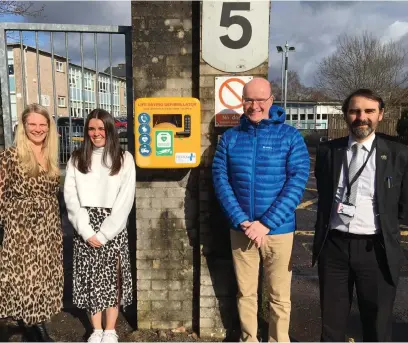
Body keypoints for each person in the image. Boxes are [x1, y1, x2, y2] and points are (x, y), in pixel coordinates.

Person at [212, 78, 310, 342]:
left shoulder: (290, 136)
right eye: (248, 100)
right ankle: (249, 339)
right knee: (245, 293)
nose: (254, 106)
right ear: (242, 101)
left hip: (278, 231)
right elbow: (221, 180)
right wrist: (242, 220)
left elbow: (297, 182)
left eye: (260, 100)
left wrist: (265, 223)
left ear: (271, 101)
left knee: (279, 296)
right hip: (241, 229)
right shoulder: (230, 138)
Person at [313, 88, 408, 341]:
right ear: (345, 115)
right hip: (334, 247)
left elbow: (403, 205)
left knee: (377, 325)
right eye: (354, 111)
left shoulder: (398, 153)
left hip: (376, 249)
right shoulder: (328, 152)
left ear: (380, 115)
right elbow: (323, 193)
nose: (361, 117)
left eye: (369, 111)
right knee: (331, 325)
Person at [64, 108, 135, 343]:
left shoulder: (124, 159)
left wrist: (105, 233)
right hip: (85, 224)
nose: (96, 133)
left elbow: (125, 200)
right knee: (92, 279)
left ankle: (110, 329)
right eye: (92, 129)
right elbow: (71, 197)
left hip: (112, 226)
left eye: (101, 128)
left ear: (110, 130)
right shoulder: (76, 158)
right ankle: (96, 329)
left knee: (112, 279)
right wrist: (86, 231)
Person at [0, 103, 63, 341]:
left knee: (44, 278)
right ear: (23, 126)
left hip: (48, 227)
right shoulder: (10, 156)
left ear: (48, 127)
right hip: (21, 229)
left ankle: (32, 324)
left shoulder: (51, 155)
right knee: (28, 279)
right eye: (32, 124)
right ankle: (37, 329)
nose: (37, 129)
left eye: (42, 124)